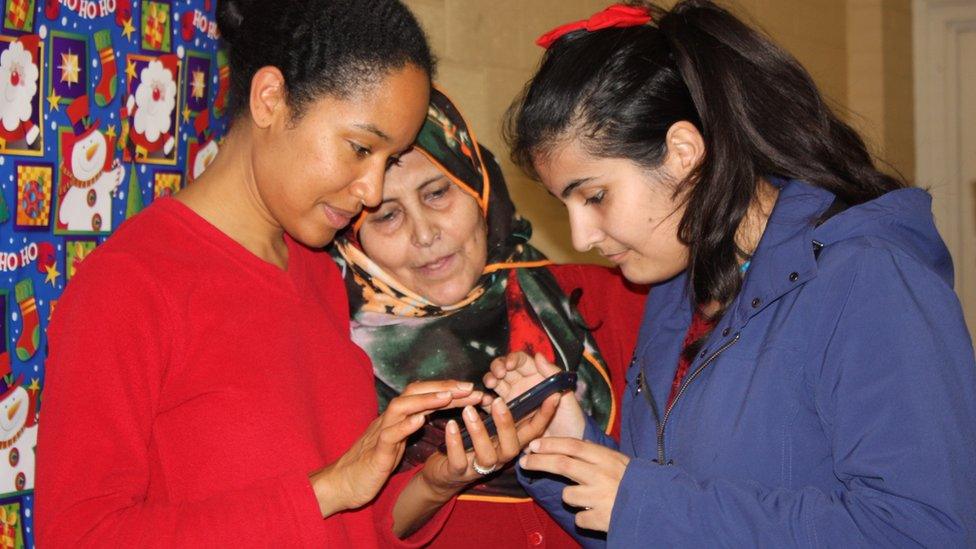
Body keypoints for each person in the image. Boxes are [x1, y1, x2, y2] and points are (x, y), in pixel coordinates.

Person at [35, 1, 557, 546]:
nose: (372, 191)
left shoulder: (318, 271)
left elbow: (347, 524)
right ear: (269, 100)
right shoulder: (128, 286)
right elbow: (78, 534)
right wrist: (324, 490)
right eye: (360, 148)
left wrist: (437, 481)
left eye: (389, 157)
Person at [487, 1, 976, 546]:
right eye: (566, 206)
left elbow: (925, 532)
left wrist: (646, 504)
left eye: (595, 196)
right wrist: (568, 449)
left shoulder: (868, 277)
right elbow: (669, 520)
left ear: (683, 152)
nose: (582, 237)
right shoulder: (678, 293)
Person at [331, 88, 647, 548]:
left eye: (438, 193)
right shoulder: (332, 349)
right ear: (353, 240)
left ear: (479, 189)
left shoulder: (610, 297)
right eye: (387, 216)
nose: (425, 234)